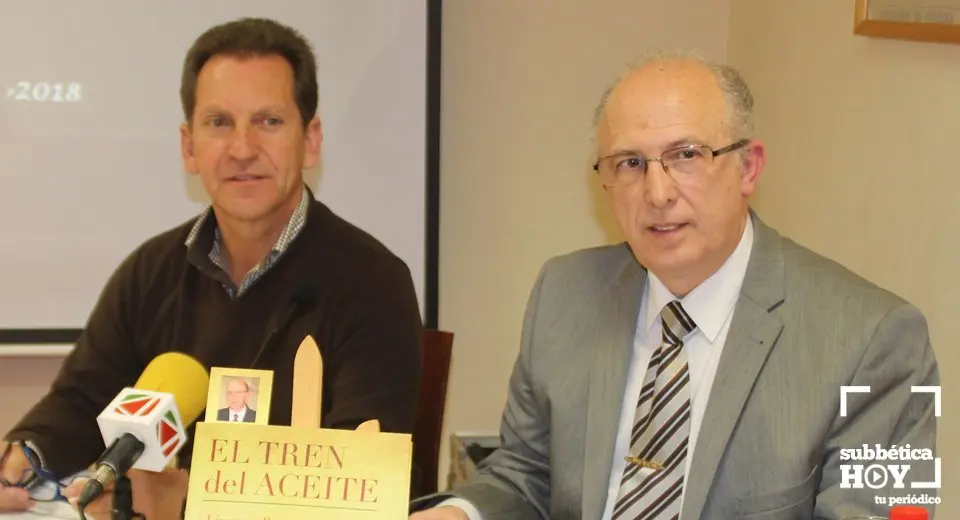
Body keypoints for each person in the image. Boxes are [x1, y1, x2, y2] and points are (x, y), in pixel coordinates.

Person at [410, 49, 939, 519]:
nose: (657, 192)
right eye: (631, 163)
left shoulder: (882, 339)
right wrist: (459, 513)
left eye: (686, 156)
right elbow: (524, 475)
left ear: (748, 168)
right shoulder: (563, 292)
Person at [0, 17, 423, 517]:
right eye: (219, 123)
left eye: (268, 121)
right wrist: (25, 453)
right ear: (189, 146)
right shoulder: (151, 270)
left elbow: (363, 482)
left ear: (310, 140)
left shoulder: (373, 283)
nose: (242, 149)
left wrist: (186, 501)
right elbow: (80, 400)